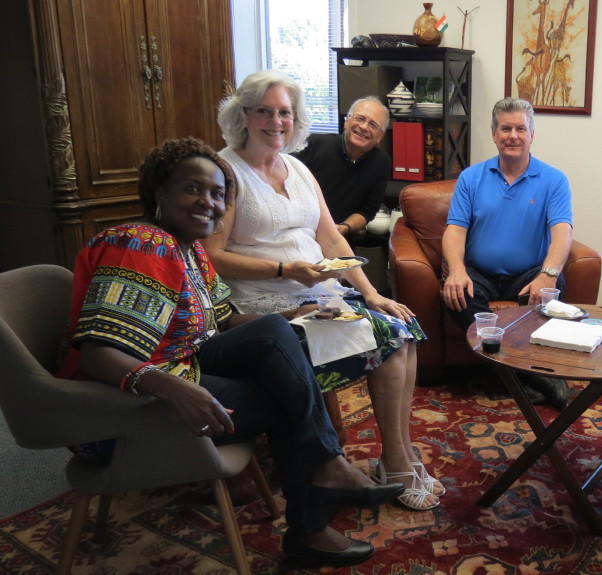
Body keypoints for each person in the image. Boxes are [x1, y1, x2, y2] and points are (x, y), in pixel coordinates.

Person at [55, 137, 405, 566]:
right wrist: (171, 388)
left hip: (181, 370)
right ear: (159, 191)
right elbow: (96, 356)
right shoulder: (141, 244)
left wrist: (301, 311)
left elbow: (224, 322)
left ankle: (324, 478)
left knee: (276, 332)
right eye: (192, 189)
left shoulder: (191, 252)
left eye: (218, 193)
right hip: (119, 413)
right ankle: (313, 514)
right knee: (283, 395)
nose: (208, 202)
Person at [202, 70, 442, 512]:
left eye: (285, 113)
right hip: (264, 306)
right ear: (244, 115)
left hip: (319, 290)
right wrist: (283, 268)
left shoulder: (297, 167)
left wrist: (372, 293)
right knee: (387, 340)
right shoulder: (225, 171)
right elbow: (211, 254)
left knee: (398, 326)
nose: (276, 122)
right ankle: (394, 462)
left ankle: (397, 455)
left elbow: (332, 239)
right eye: (265, 112)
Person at [441, 97, 573, 407]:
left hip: (526, 275)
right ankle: (528, 377)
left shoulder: (554, 180)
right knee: (455, 292)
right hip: (479, 274)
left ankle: (509, 374)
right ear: (493, 134)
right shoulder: (471, 178)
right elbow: (455, 230)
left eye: (520, 128)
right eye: (505, 128)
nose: (512, 135)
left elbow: (562, 232)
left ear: (531, 135)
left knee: (555, 288)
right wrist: (457, 270)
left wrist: (548, 274)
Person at [292, 96, 391, 238]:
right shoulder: (312, 144)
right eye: (360, 119)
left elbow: (367, 211)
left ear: (380, 136)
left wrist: (344, 227)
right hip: (299, 230)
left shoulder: (381, 162)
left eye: (373, 125)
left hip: (339, 235)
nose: (364, 127)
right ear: (346, 122)